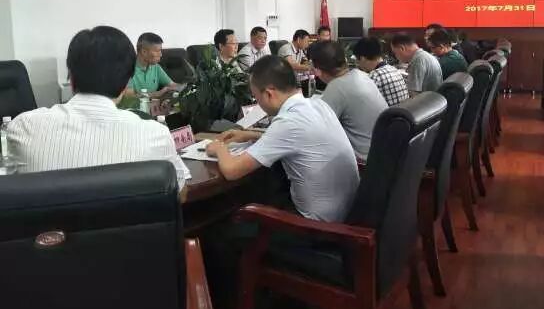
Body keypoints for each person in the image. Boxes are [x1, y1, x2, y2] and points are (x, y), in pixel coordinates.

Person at [7, 26, 190, 193]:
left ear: (72, 79)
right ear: (125, 84)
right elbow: (179, 187)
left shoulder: (24, 127)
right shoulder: (156, 134)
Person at [206, 55, 359, 222]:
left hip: (316, 226)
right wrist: (250, 135)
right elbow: (297, 139)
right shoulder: (318, 104)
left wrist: (219, 148)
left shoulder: (288, 121)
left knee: (239, 211)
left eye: (256, 97)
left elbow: (232, 171)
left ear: (269, 94)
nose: (258, 103)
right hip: (349, 211)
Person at [311, 41, 387, 161]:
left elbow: (317, 130)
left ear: (317, 70)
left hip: (363, 162)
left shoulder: (336, 87)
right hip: (383, 153)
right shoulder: (362, 75)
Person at [352, 37, 409, 106]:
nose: (358, 65)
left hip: (388, 113)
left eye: (357, 61)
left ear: (362, 58)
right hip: (404, 111)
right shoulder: (394, 70)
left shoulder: (373, 77)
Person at [125, 32, 179, 98]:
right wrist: (157, 94)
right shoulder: (127, 69)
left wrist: (188, 87)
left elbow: (172, 85)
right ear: (144, 52)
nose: (161, 54)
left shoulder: (156, 67)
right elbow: (129, 97)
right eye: (157, 51)